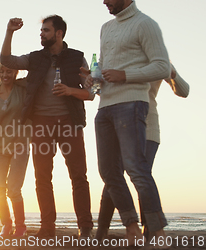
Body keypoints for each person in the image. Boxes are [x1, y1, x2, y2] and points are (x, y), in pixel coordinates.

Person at [0, 15, 94, 238]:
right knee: (42, 177)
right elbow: (7, 60)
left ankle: (86, 227)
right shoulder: (34, 58)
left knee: (78, 175)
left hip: (70, 123)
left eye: (46, 31)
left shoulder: (77, 58)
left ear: (59, 33)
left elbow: (91, 93)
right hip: (41, 124)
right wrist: (9, 32)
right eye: (41, 30)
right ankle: (47, 228)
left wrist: (70, 91)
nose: (41, 34)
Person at [85, 0, 171, 242]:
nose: (104, 1)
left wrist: (126, 75)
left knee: (136, 169)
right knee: (108, 172)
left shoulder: (145, 24)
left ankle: (158, 232)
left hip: (132, 103)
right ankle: (131, 226)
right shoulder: (106, 27)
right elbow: (105, 66)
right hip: (105, 106)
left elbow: (163, 67)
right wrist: (94, 78)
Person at [90, 64, 189, 240]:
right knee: (112, 176)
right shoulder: (124, 57)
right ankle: (102, 231)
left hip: (148, 128)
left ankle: (150, 231)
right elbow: (104, 91)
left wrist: (173, 74)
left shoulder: (157, 60)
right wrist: (94, 82)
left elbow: (184, 91)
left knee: (140, 175)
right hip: (119, 125)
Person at [0, 56, 30, 237]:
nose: (5, 74)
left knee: (14, 188)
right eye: (2, 71)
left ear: (15, 72)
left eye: (9, 71)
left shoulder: (23, 90)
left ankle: (21, 226)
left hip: (20, 144)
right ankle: (6, 224)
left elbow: (36, 76)